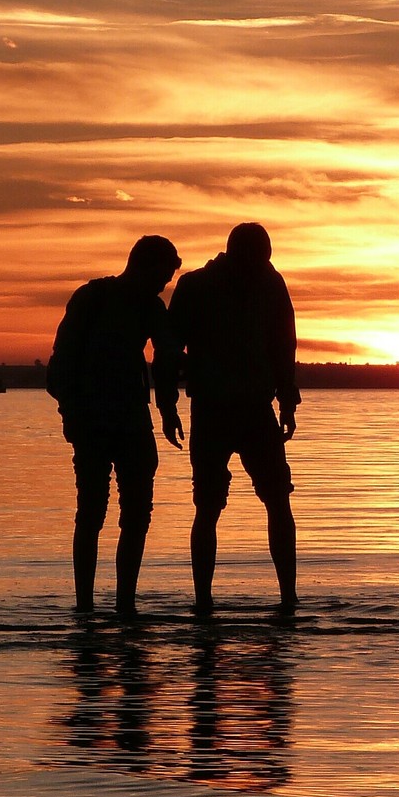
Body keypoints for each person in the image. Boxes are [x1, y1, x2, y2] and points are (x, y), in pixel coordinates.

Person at [164, 222, 300, 613]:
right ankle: (203, 601)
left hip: (257, 409)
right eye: (256, 260)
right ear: (235, 254)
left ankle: (288, 597)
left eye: (265, 262)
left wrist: (287, 401)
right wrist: (168, 404)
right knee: (207, 507)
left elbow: (283, 346)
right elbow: (170, 348)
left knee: (278, 501)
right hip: (210, 410)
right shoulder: (195, 287)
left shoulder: (271, 285)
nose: (261, 268)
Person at [46, 235, 185, 614]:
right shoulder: (92, 297)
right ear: (142, 265)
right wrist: (71, 414)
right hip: (92, 419)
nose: (164, 285)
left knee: (138, 514)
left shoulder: (152, 308)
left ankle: (126, 605)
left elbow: (167, 354)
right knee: (91, 512)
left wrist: (169, 408)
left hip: (133, 420)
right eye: (162, 276)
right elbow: (62, 361)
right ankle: (85, 607)